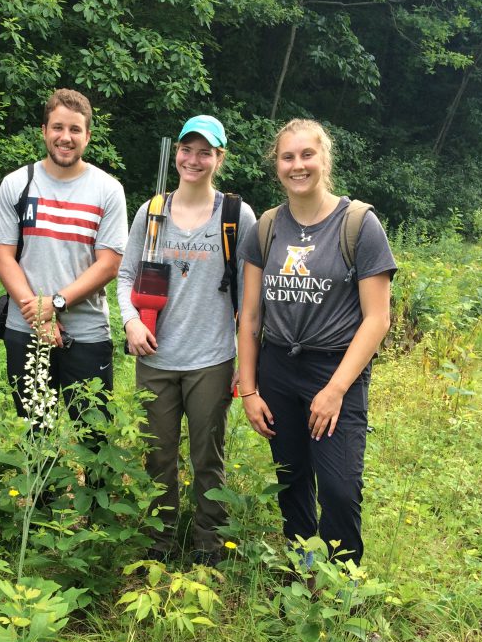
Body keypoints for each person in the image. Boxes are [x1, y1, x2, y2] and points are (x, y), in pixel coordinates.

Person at [236, 119, 396, 567]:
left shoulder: (359, 225)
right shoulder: (266, 228)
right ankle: (304, 576)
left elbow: (377, 318)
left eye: (307, 155)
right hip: (278, 371)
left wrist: (336, 390)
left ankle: (342, 589)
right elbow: (250, 316)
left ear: (325, 159)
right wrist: (248, 389)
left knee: (341, 489)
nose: (297, 165)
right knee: (291, 480)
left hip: (335, 370)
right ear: (277, 165)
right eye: (288, 157)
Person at [117, 115, 256, 567]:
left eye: (205, 151)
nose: (194, 159)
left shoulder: (236, 216)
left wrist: (246, 361)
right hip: (155, 356)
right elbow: (124, 275)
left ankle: (208, 545)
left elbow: (250, 295)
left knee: (207, 457)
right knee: (156, 454)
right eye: (187, 149)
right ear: (176, 152)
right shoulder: (151, 211)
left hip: (211, 360)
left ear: (219, 158)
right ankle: (159, 539)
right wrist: (131, 323)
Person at [0, 88, 127, 424]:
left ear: (88, 136)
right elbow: (2, 255)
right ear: (44, 131)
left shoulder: (108, 190)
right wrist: (39, 313)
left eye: (75, 130)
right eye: (58, 128)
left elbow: (109, 264)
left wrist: (57, 304)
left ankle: (92, 482)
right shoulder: (17, 184)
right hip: (25, 330)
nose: (65, 138)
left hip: (88, 333)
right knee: (36, 430)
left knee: (93, 433)